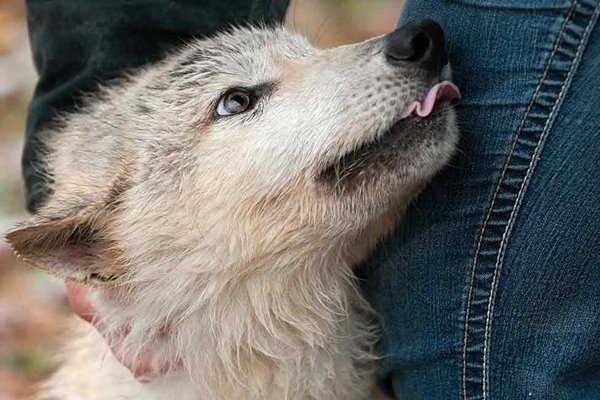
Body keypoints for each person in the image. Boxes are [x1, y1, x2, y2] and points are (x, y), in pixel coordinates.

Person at [23, 0, 600, 399]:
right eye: (240, 102)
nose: (398, 49)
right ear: (101, 247)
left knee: (470, 344)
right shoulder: (107, 238)